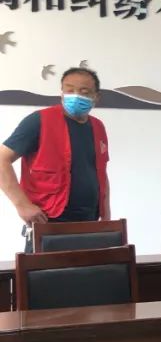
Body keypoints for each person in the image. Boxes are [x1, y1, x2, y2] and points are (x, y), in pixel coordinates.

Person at [0, 66, 110, 252]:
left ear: (96, 97)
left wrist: (106, 214)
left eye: (84, 92)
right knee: (45, 271)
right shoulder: (39, 121)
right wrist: (22, 205)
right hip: (49, 221)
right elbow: (2, 159)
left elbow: (100, 172)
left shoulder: (98, 127)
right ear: (61, 93)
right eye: (69, 90)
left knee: (89, 270)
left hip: (90, 222)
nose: (76, 96)